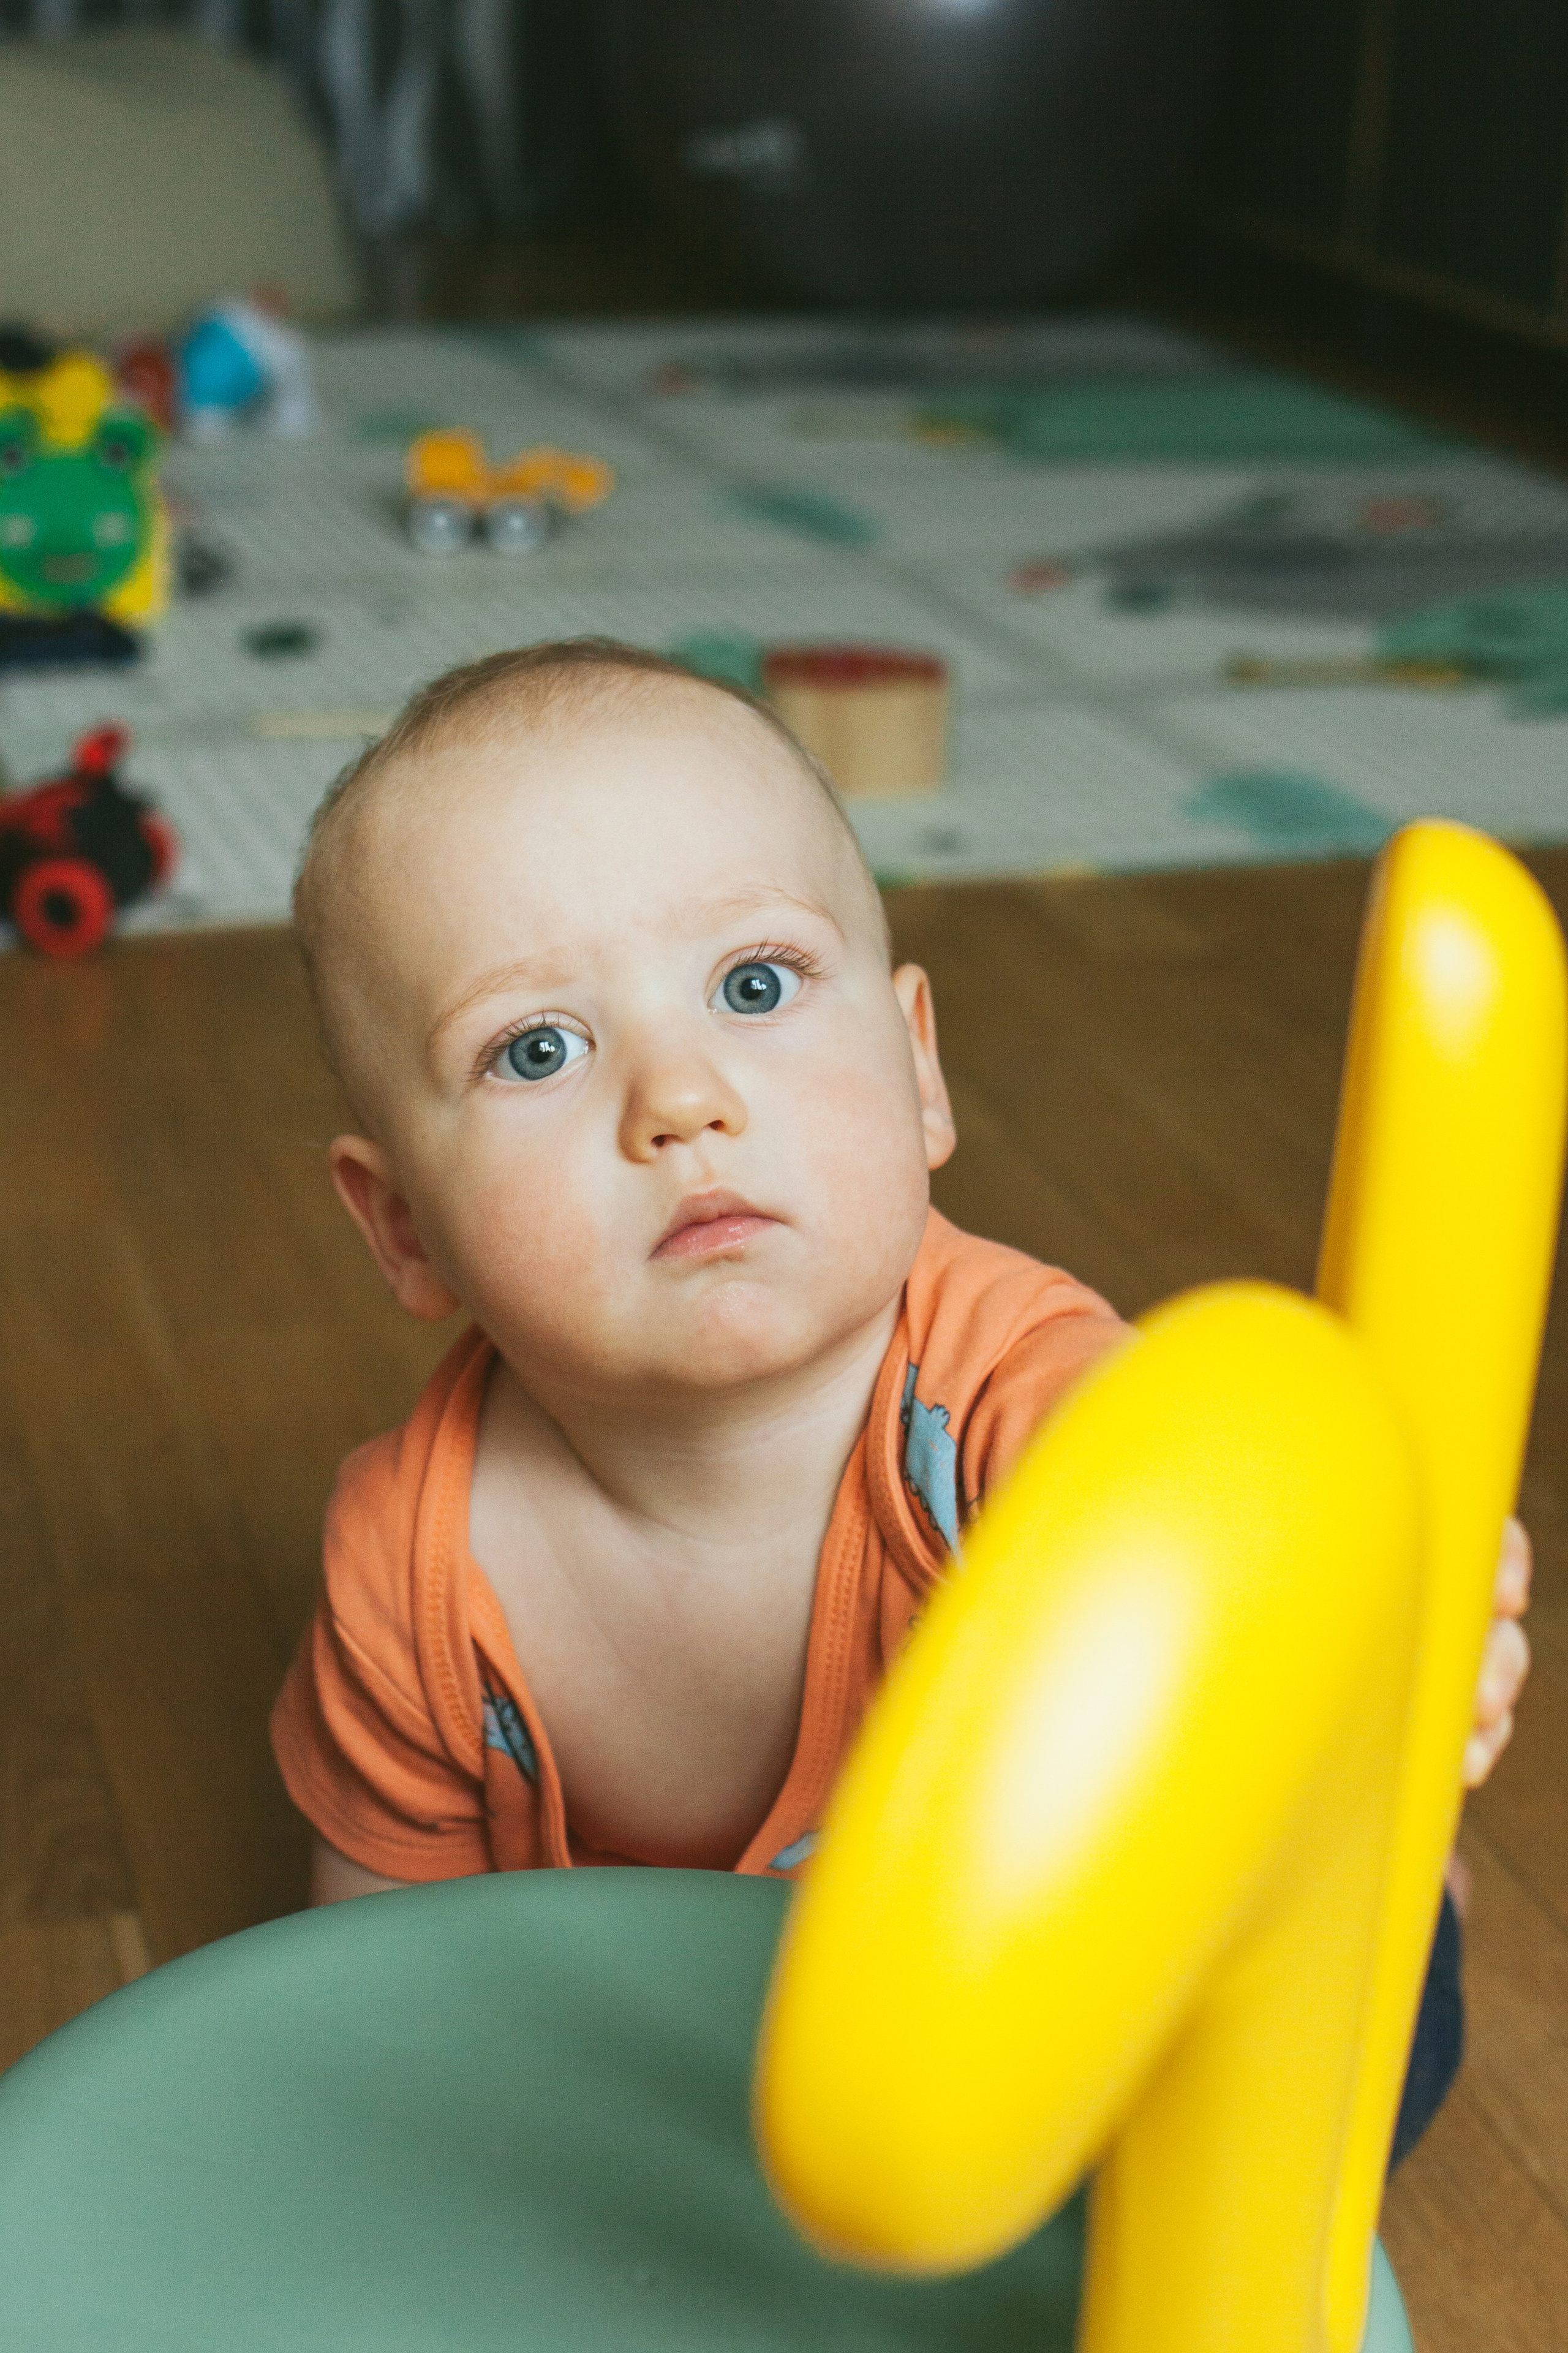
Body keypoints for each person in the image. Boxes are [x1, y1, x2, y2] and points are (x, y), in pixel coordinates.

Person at [270, 637, 1530, 2158]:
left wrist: (1366, 1607)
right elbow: (367, 2002)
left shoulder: (1016, 1404)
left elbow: (1199, 1507)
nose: (681, 1100)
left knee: (1264, 2087)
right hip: (722, 2059)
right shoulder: (407, 1568)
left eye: (753, 983)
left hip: (1091, 1962)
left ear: (919, 1069)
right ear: (403, 1224)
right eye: (536, 1048)